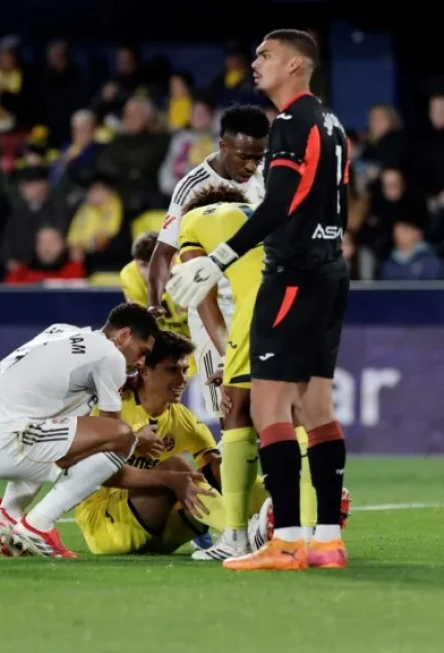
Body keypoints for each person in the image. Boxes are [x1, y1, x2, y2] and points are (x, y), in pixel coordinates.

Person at [168, 30, 351, 571]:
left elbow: (278, 205)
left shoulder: (293, 122)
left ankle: (287, 540)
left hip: (293, 272)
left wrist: (217, 258)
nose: (255, 62)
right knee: (316, 407)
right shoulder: (333, 123)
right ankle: (327, 541)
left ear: (296, 65)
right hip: (330, 269)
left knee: (269, 405)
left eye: (266, 55)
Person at [0, 304, 204, 558]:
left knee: (55, 433)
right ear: (124, 336)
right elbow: (114, 437)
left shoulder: (62, 332)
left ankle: (9, 516)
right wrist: (138, 442)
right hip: (1, 442)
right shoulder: (111, 356)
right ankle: (38, 525)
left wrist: (141, 317)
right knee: (121, 436)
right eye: (142, 352)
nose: (140, 363)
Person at [177, 184, 335, 561]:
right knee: (300, 418)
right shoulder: (258, 217)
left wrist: (229, 354)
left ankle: (234, 536)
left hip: (264, 309)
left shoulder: (193, 221)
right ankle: (312, 533)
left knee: (237, 415)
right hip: (311, 305)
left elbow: (201, 294)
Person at [76, 331, 267, 556]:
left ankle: (276, 523)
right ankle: (237, 535)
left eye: (185, 370)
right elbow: (94, 474)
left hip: (161, 537)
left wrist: (267, 495)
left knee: (219, 471)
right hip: (107, 526)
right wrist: (166, 476)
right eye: (172, 370)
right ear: (145, 372)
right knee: (176, 467)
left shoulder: (182, 419)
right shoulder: (113, 410)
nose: (182, 379)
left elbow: (217, 469)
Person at [146, 104, 269, 419]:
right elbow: (164, 251)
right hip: (215, 308)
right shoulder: (193, 188)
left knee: (273, 404)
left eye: (258, 155)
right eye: (245, 156)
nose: (252, 164)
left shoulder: (270, 173)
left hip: (260, 302)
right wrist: (153, 303)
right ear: (223, 146)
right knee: (229, 411)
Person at [119, 231, 214, 550]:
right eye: (142, 265)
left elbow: (205, 309)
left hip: (193, 344)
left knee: (176, 405)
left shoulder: (186, 272)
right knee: (157, 400)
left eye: (151, 264)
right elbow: (141, 322)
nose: (145, 272)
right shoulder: (130, 275)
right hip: (162, 350)